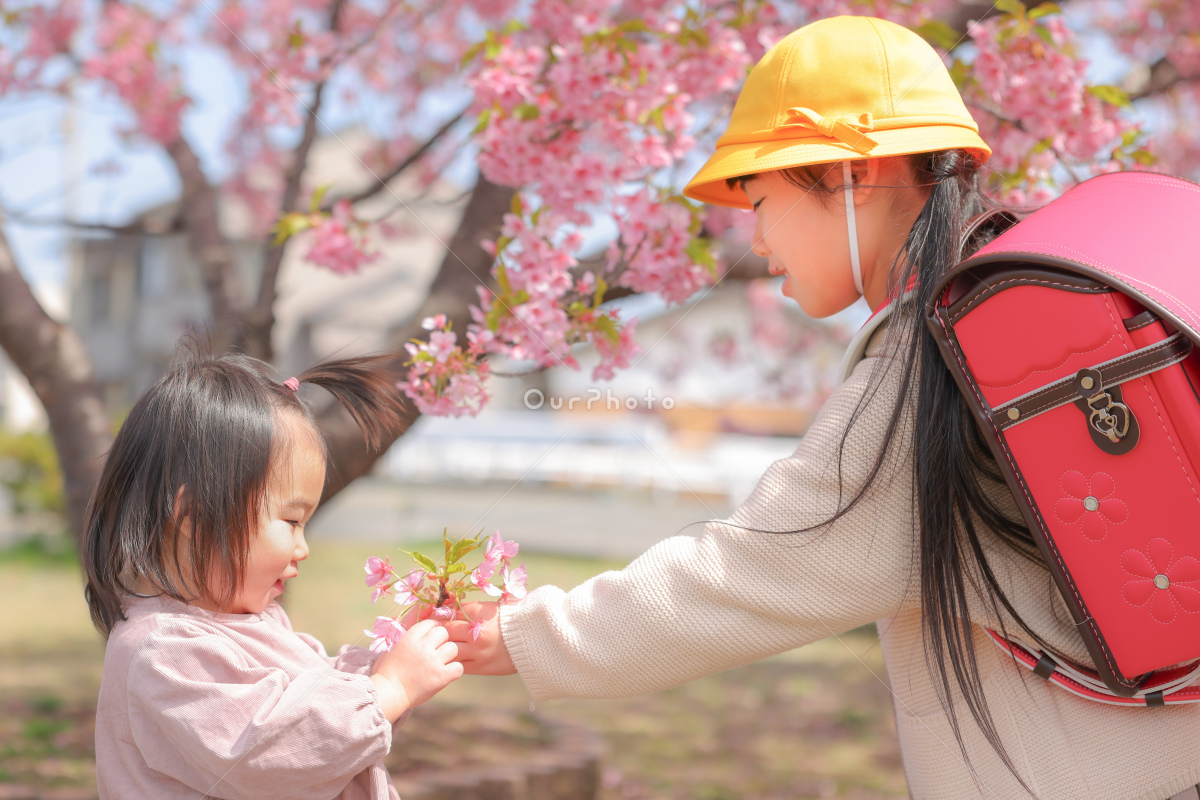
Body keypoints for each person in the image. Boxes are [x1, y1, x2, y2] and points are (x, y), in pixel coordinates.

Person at [446, 15, 1200, 800]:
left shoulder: (922, 367)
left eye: (760, 197)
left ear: (846, 176)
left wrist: (517, 635)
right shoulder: (1002, 314)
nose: (756, 240)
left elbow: (752, 570)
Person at [83, 337, 463, 800]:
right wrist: (390, 688)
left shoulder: (248, 623)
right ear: (194, 516)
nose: (302, 548)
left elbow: (311, 694)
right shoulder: (162, 652)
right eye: (291, 521)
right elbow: (267, 752)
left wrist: (388, 661)